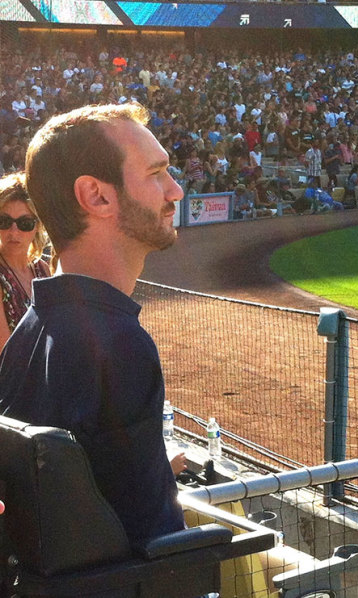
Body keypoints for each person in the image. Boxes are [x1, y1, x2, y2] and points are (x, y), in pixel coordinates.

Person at [0, 103, 186, 547]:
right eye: (157, 173)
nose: (175, 191)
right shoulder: (119, 344)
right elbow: (155, 547)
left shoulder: (31, 327)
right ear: (97, 196)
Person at [0, 172, 49, 348]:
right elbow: (5, 353)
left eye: (25, 223)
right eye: (4, 221)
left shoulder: (43, 270)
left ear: (38, 226)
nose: (13, 232)